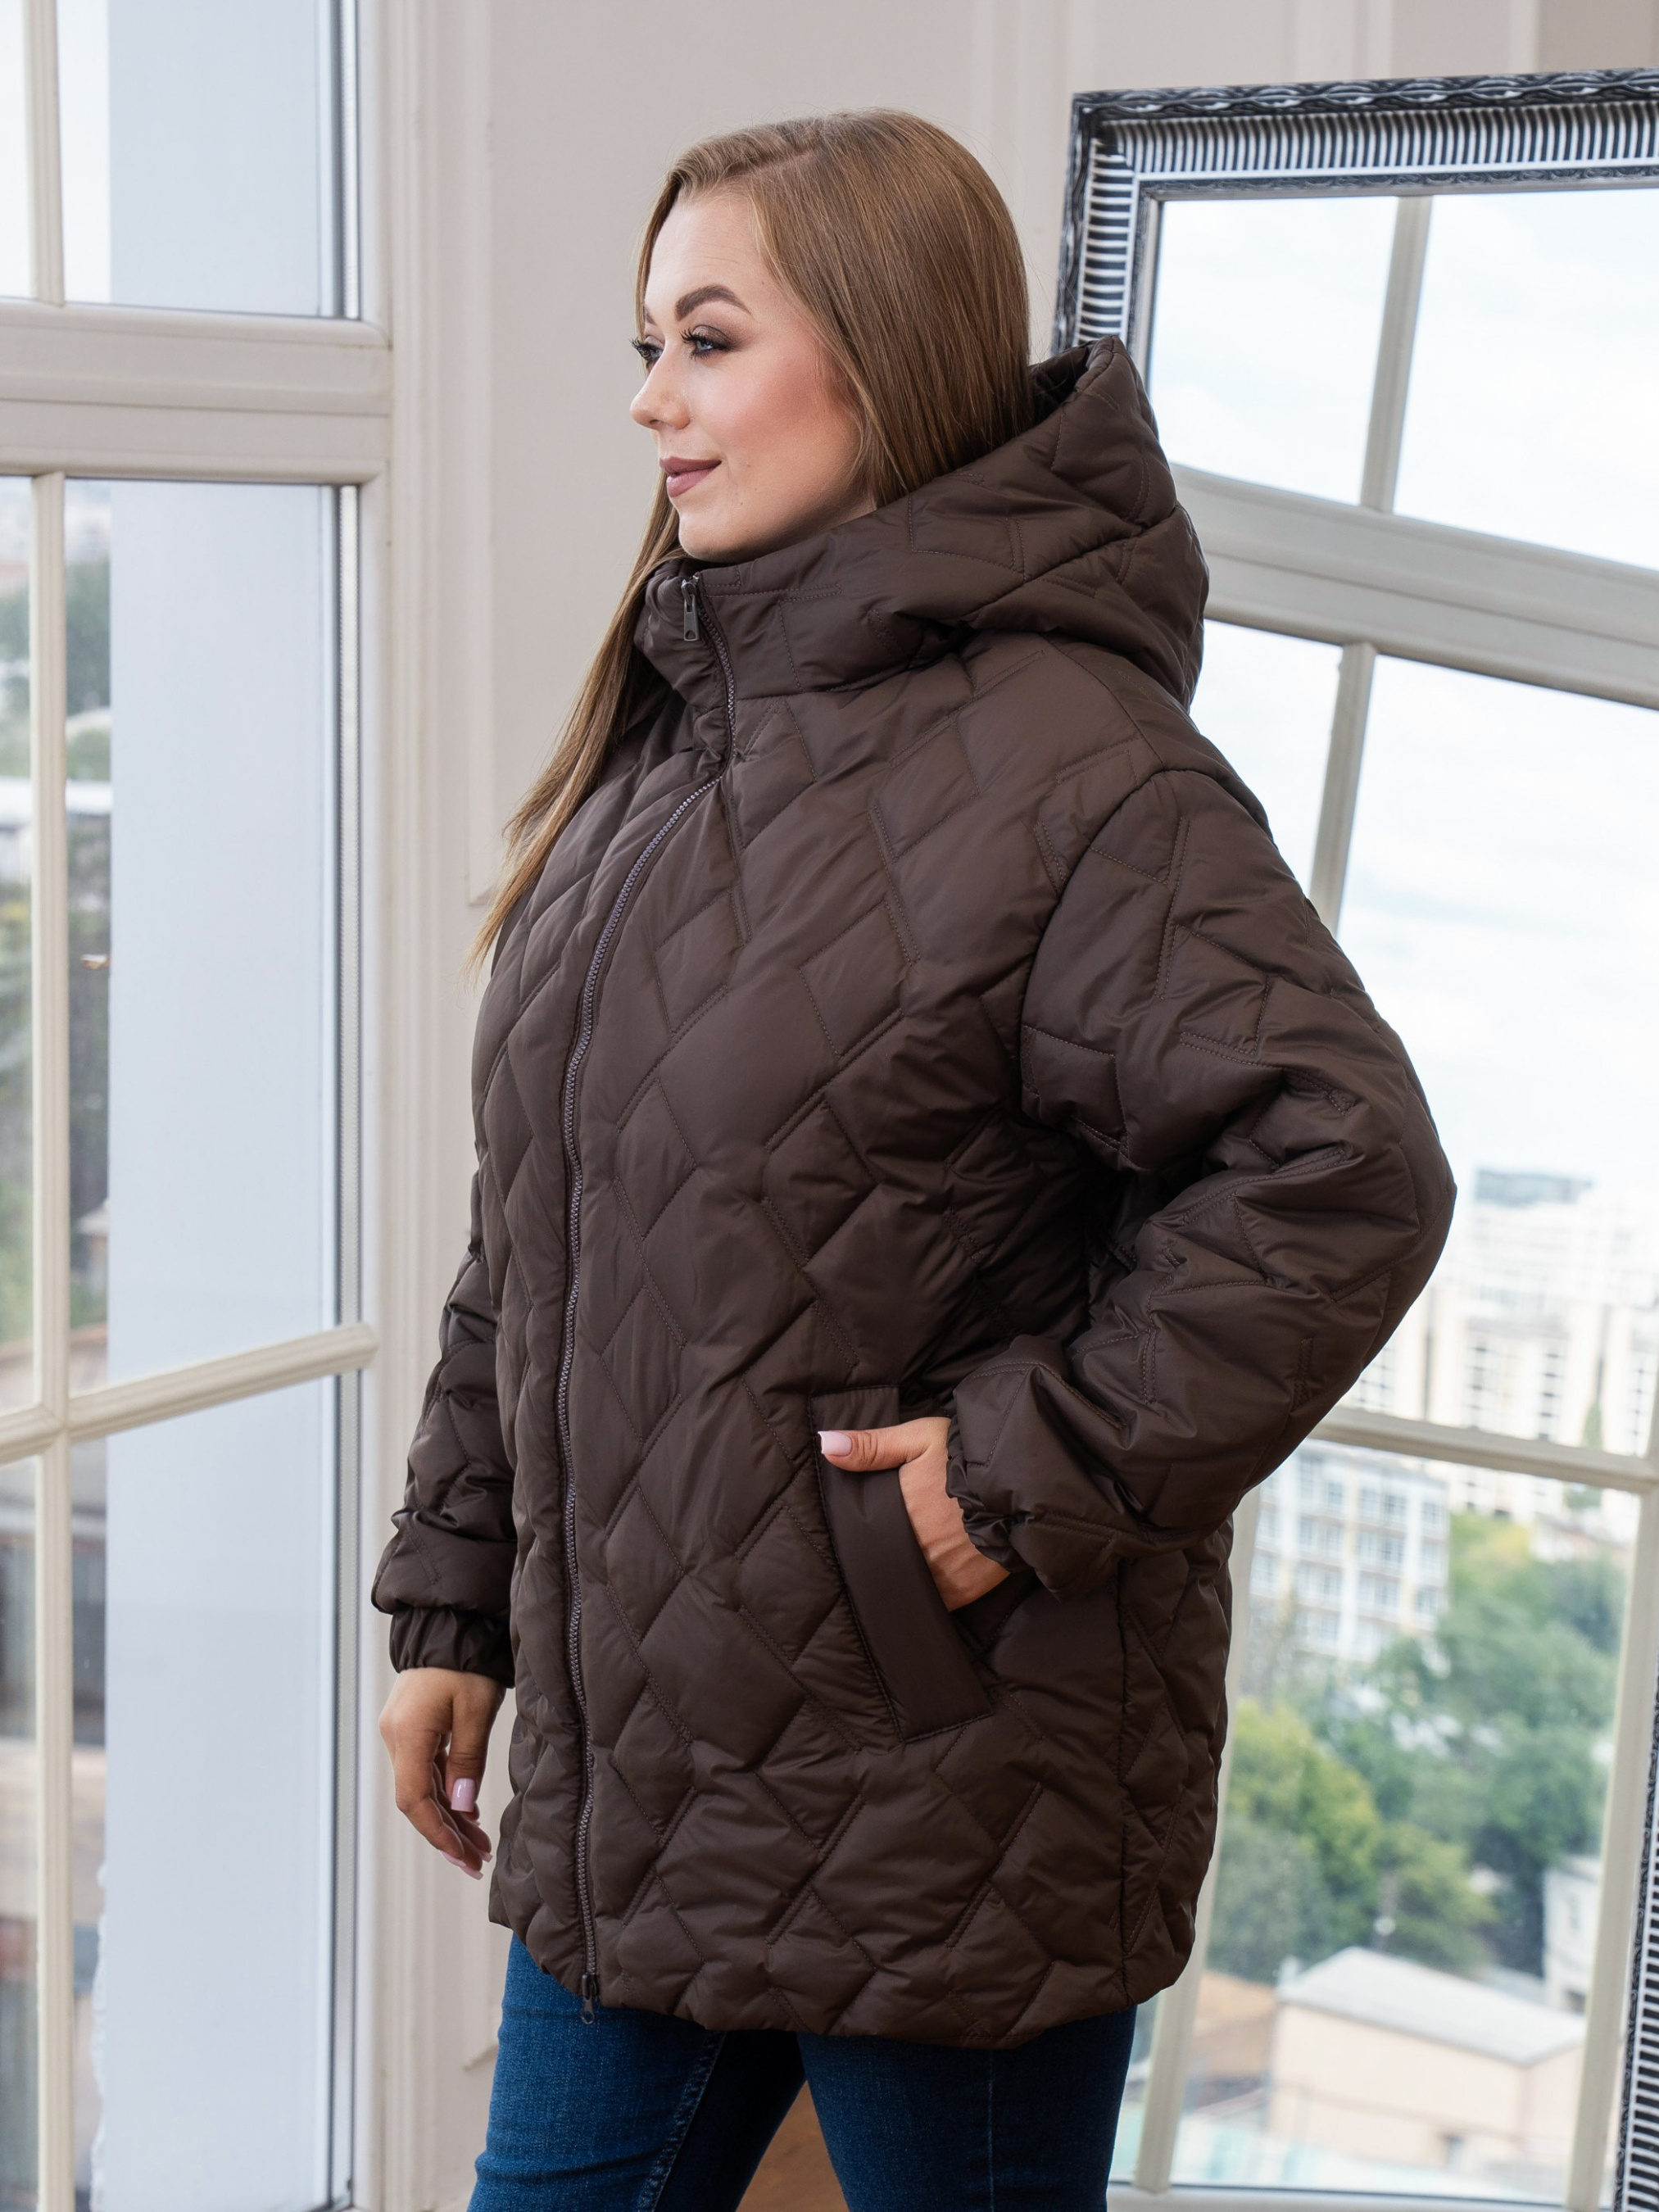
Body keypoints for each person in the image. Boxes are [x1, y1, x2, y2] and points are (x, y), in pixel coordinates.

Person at [373, 110, 1453, 2211]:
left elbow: (1342, 1169)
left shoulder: (1085, 776)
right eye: (646, 344)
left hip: (951, 1800)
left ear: (874, 356)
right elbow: (548, 1224)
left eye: (706, 341)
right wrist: (455, 1596)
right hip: (647, 1785)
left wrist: (1007, 1478)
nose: (650, 399)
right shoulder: (672, 738)